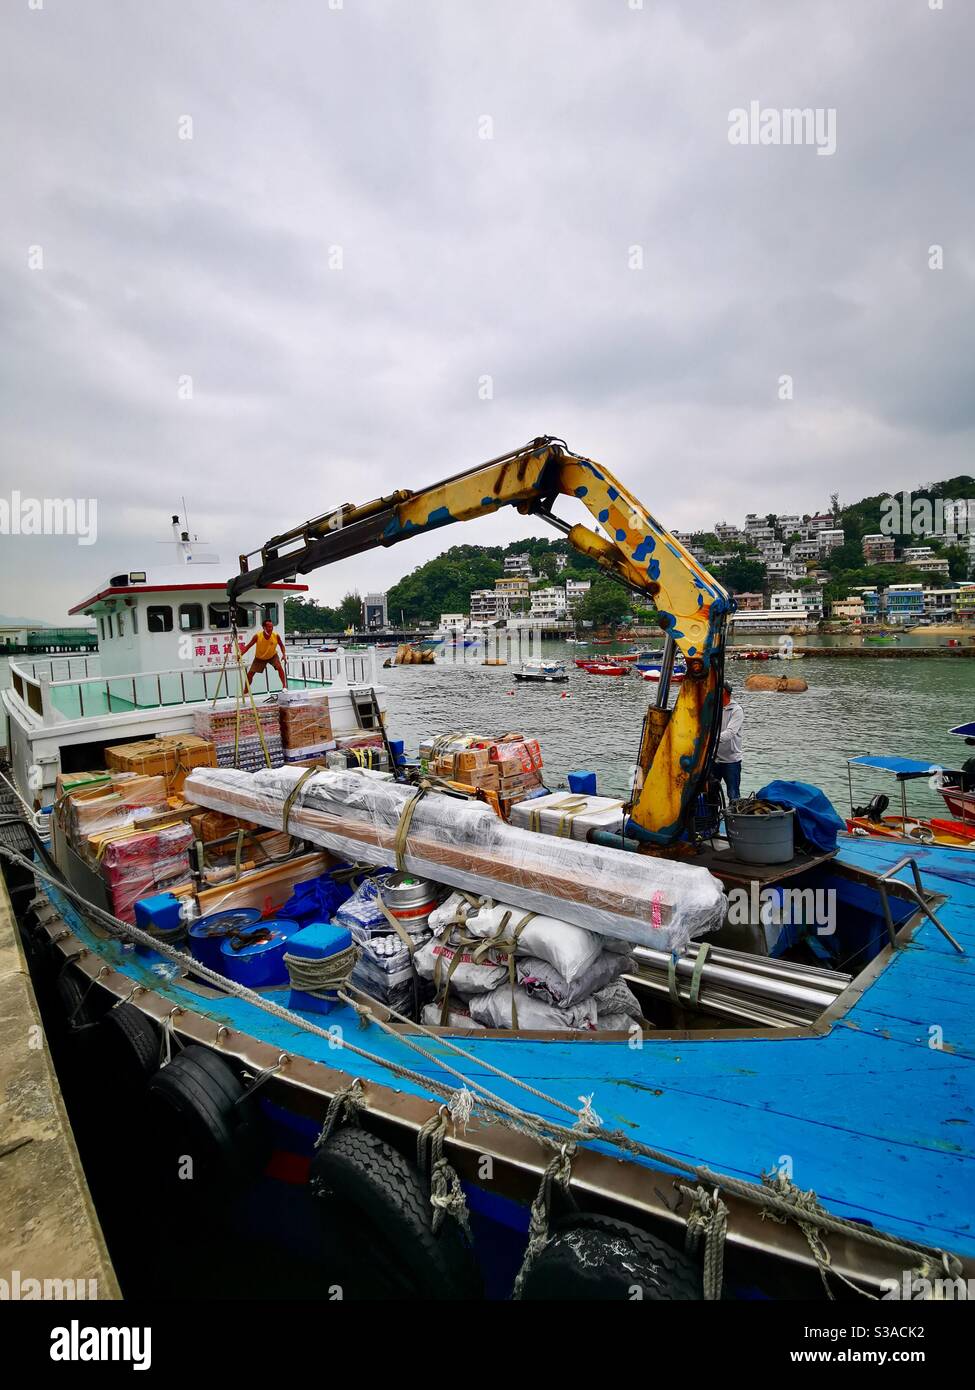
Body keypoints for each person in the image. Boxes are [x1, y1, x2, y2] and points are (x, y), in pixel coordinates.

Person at [714, 680, 743, 803]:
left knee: (733, 795)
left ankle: (734, 821)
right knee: (711, 795)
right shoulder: (714, 709)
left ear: (724, 691)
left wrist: (710, 741)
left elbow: (730, 733)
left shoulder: (736, 710)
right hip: (714, 760)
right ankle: (711, 820)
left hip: (731, 761)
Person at [240, 618, 288, 690]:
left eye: (272, 627)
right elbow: (248, 646)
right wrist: (240, 654)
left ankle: (284, 686)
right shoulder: (257, 636)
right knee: (250, 674)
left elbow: (281, 645)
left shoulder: (276, 636)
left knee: (279, 667)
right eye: (269, 627)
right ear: (264, 627)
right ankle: (246, 691)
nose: (271, 629)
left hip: (272, 656)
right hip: (260, 658)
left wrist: (284, 654)